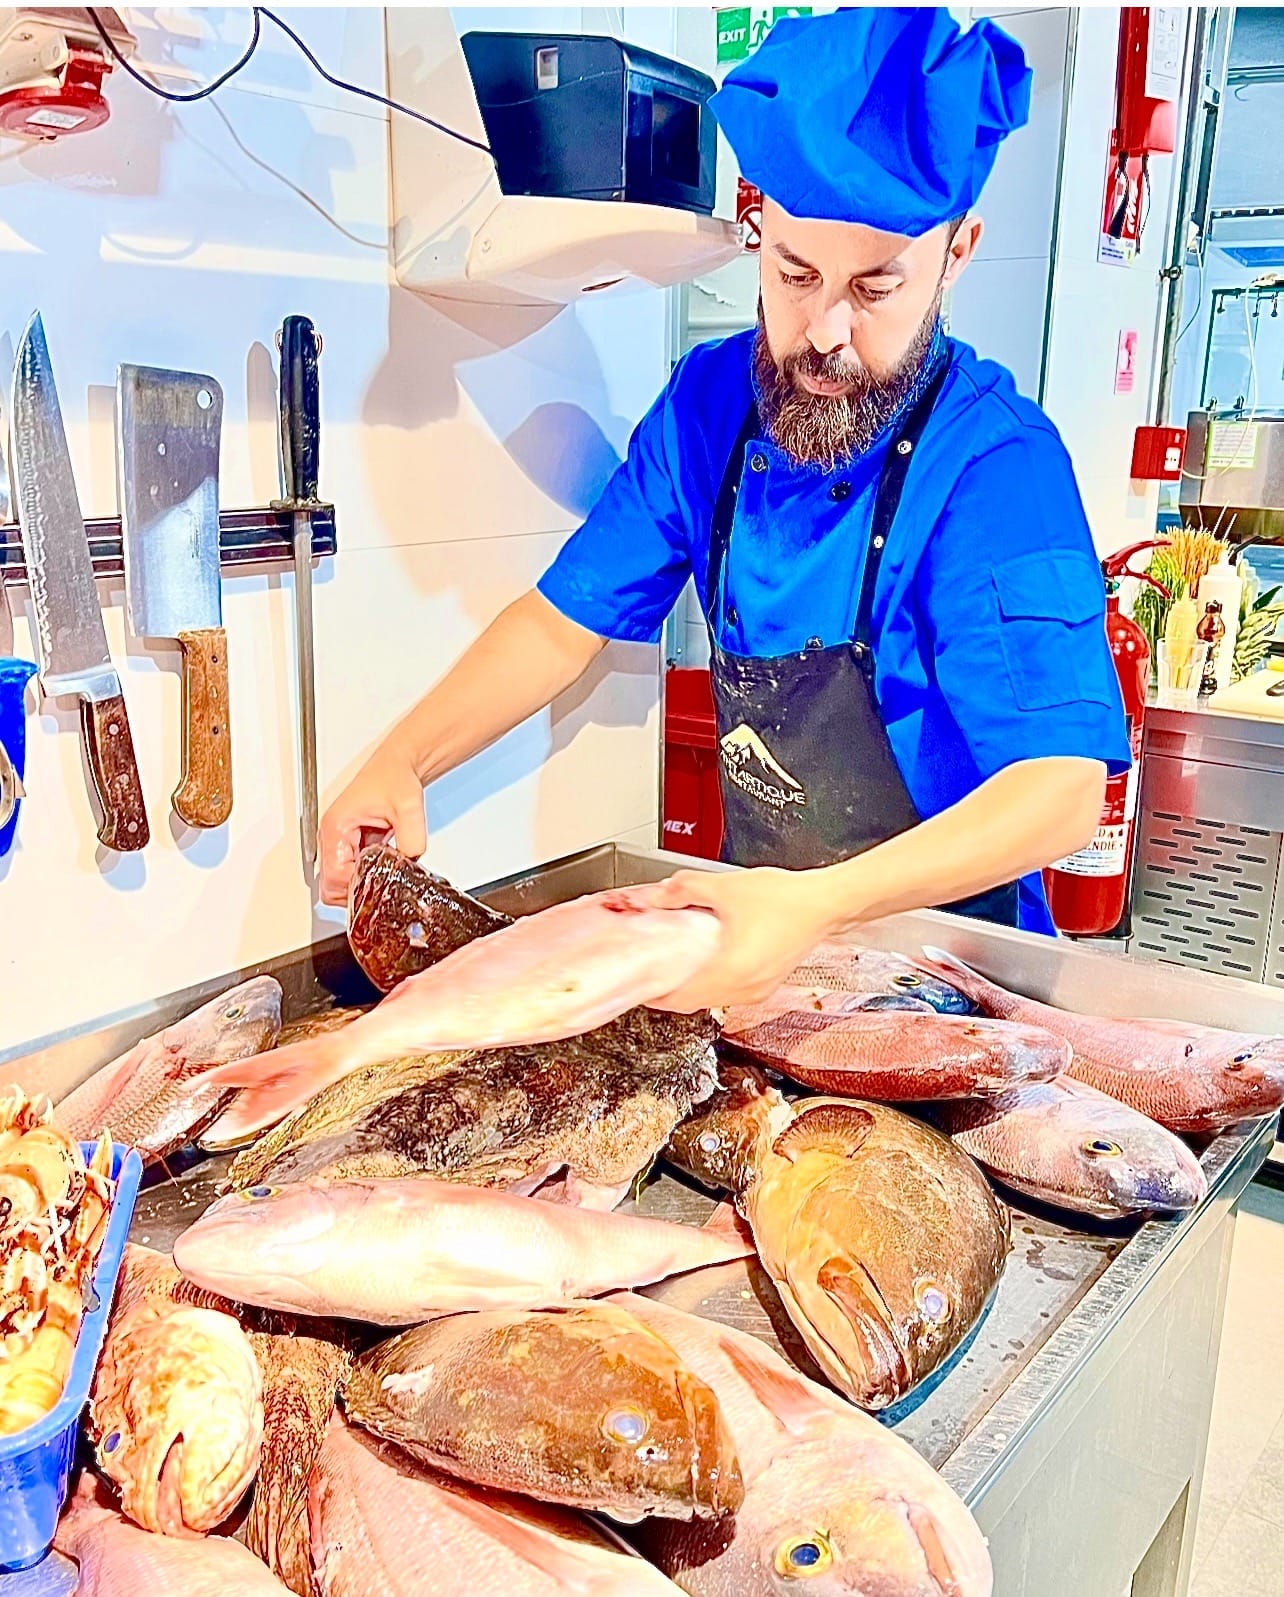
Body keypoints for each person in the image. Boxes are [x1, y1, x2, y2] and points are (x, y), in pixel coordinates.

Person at [319, 8, 1129, 1011]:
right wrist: (401, 761)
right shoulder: (709, 408)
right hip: (771, 967)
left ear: (957, 253)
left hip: (957, 983)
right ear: (757, 228)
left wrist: (813, 907)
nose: (824, 331)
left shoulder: (998, 467)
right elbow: (561, 622)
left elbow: (1056, 793)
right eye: (794, 274)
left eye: (876, 287)